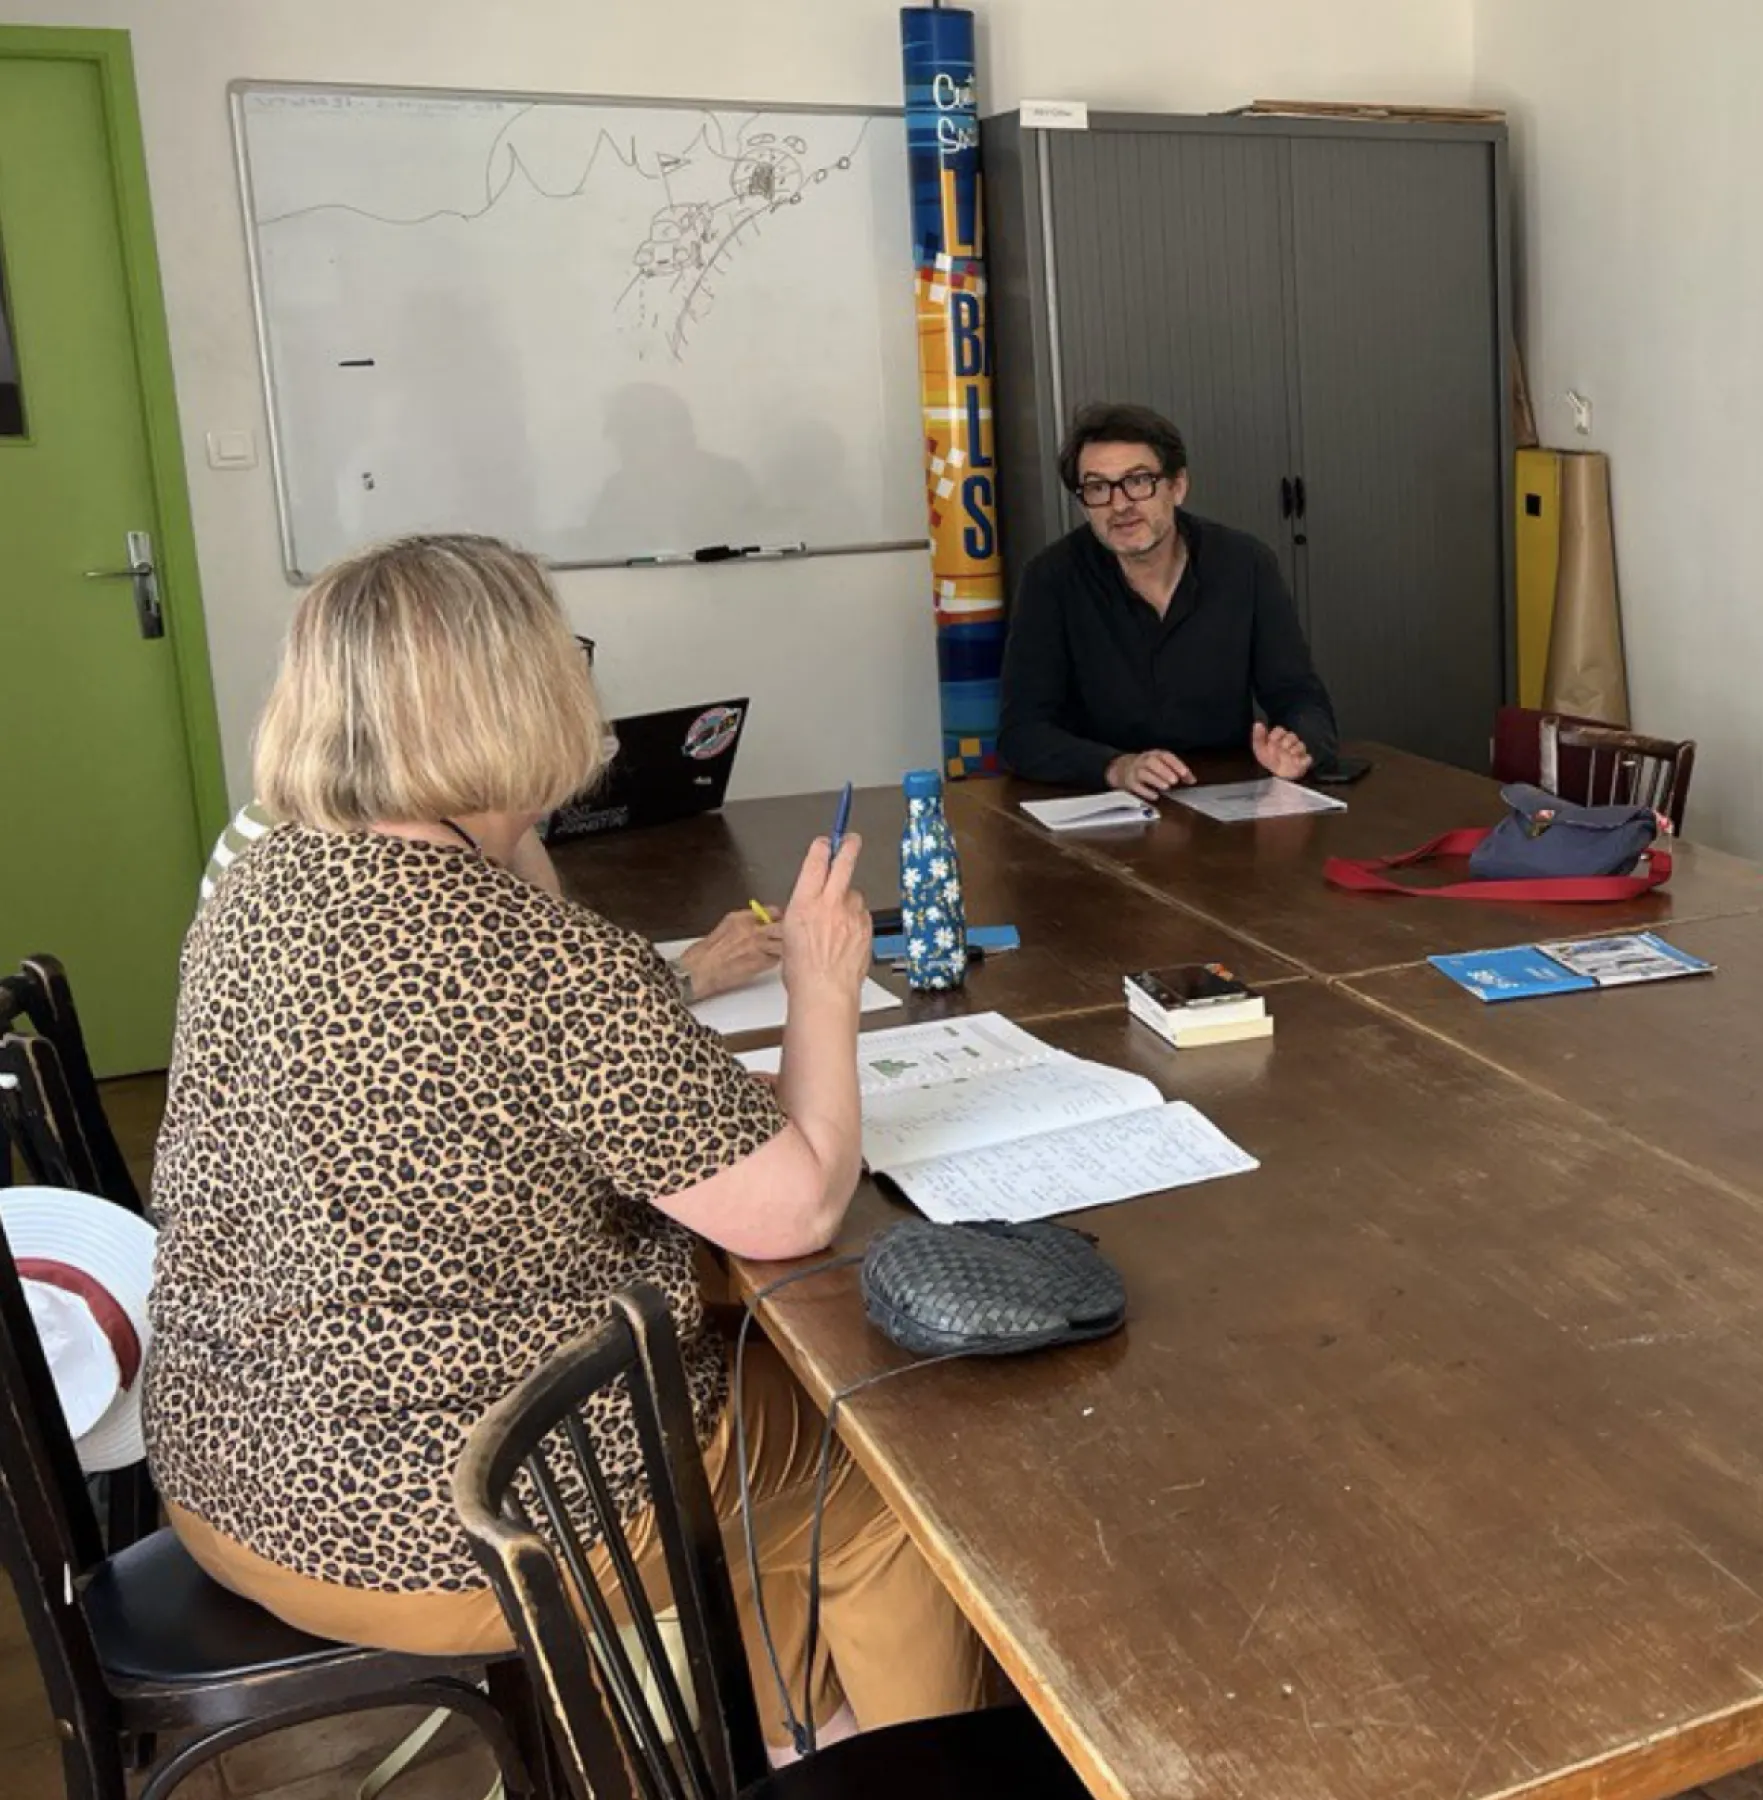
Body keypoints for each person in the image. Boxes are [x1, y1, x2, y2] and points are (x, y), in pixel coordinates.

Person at [147, 534, 990, 1757]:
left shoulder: (262, 882)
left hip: (226, 1474)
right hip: (441, 1529)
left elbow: (499, 1055)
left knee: (762, 1400)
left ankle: (780, 1740)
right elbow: (800, 1205)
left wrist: (503, 818)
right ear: (526, 694)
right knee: (881, 1459)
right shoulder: (540, 963)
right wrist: (822, 982)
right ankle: (910, 1771)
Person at [196, 633, 781, 1005]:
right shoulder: (397, 871)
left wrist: (514, 802)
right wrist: (689, 977)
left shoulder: (378, 808)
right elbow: (553, 1009)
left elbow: (550, 951)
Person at [998, 401, 1338, 798]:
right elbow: (1021, 732)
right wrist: (1115, 767)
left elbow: (1299, 696)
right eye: (1098, 488)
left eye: (1139, 481)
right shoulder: (1051, 578)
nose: (1120, 505)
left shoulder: (1244, 564)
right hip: (1100, 802)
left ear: (1177, 487)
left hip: (1224, 794)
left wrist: (1297, 748)